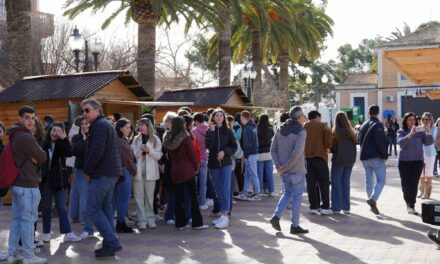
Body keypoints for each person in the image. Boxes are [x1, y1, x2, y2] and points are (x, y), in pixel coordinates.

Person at [82, 98, 123, 258]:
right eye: (83, 111)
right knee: (105, 209)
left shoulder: (99, 126)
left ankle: (112, 241)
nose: (84, 113)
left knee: (91, 209)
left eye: (87, 110)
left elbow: (97, 152)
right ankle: (109, 244)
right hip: (109, 173)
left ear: (97, 110)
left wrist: (87, 170)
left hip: (103, 174)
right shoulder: (103, 124)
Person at [7, 106, 47, 264]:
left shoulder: (15, 134)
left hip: (19, 184)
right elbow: (43, 157)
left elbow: (38, 157)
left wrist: (35, 155)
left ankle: (12, 254)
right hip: (27, 185)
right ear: (20, 119)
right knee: (28, 221)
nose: (31, 121)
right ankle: (29, 256)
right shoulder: (25, 137)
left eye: (33, 117)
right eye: (27, 117)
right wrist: (36, 155)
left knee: (18, 219)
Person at [163, 116, 209, 230]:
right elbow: (192, 155)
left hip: (175, 170)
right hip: (187, 170)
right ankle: (197, 223)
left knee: (178, 197)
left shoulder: (168, 138)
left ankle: (180, 223)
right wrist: (196, 167)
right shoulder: (186, 137)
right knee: (193, 197)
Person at [269, 106, 309, 234]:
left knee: (287, 193)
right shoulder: (301, 132)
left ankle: (276, 216)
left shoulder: (280, 130)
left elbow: (273, 149)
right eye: (303, 116)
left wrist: (279, 165)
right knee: (296, 198)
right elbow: (297, 153)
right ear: (300, 117)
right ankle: (295, 226)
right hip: (296, 170)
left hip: (284, 171)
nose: (304, 118)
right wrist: (284, 166)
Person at [41, 122, 81, 243]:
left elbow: (70, 153)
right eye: (53, 130)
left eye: (58, 131)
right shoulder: (44, 144)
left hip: (60, 179)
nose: (55, 133)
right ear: (49, 132)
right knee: (46, 207)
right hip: (46, 179)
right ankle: (46, 233)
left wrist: (64, 139)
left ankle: (68, 233)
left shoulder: (63, 144)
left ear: (62, 132)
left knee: (62, 207)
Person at [205, 109, 238, 229]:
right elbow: (208, 145)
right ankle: (222, 214)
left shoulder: (228, 131)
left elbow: (234, 147)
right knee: (218, 190)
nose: (219, 118)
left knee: (225, 189)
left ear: (224, 118)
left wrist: (224, 151)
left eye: (221, 116)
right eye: (216, 116)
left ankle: (225, 215)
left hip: (226, 164)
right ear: (213, 118)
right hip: (213, 164)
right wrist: (212, 132)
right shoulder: (209, 131)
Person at [397, 112, 433, 215]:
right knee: (405, 185)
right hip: (404, 162)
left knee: (413, 184)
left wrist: (428, 132)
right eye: (410, 120)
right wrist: (411, 134)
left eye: (413, 119)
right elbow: (401, 144)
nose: (412, 121)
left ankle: (411, 205)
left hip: (417, 162)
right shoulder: (401, 131)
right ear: (406, 121)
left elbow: (428, 143)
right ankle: (408, 203)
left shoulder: (420, 132)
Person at [131, 118, 162, 230]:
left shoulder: (155, 139)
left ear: (148, 126)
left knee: (149, 197)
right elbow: (132, 154)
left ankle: (150, 219)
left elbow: (159, 155)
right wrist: (140, 151)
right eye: (139, 125)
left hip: (151, 172)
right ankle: (141, 221)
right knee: (138, 196)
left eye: (142, 125)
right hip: (138, 171)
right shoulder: (135, 139)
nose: (140, 127)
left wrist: (149, 151)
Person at [358, 105, 388, 215]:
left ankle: (371, 203)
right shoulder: (378, 124)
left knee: (369, 181)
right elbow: (379, 142)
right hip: (376, 157)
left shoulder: (363, 125)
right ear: (378, 113)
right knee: (381, 180)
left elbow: (360, 141)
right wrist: (385, 155)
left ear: (369, 113)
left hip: (365, 157)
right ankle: (373, 199)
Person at [304, 110, 333, 215]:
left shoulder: (304, 126)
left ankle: (313, 207)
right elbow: (329, 136)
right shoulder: (322, 125)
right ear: (317, 117)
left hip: (307, 158)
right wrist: (328, 147)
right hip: (320, 157)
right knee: (324, 183)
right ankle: (325, 207)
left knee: (311, 184)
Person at [69, 117, 94, 239]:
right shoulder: (76, 138)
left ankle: (74, 215)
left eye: (87, 123)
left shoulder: (94, 136)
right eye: (83, 124)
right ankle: (83, 218)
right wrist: (84, 139)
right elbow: (76, 152)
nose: (85, 126)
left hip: (92, 169)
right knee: (83, 193)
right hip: (80, 169)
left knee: (78, 192)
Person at [330, 112, 357, 214]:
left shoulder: (336, 133)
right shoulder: (352, 133)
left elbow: (333, 148)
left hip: (338, 160)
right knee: (346, 183)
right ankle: (346, 207)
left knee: (336, 183)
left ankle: (336, 207)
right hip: (350, 161)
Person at [114, 118, 137, 233]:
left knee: (121, 199)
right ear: (120, 128)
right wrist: (134, 170)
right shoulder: (119, 140)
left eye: (129, 127)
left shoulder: (121, 139)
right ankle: (120, 223)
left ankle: (120, 222)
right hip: (123, 171)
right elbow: (127, 159)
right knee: (123, 199)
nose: (129, 129)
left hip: (122, 171)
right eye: (127, 127)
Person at [237, 110, 261, 201]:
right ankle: (244, 193)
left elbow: (247, 144)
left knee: (253, 175)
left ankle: (257, 194)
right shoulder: (253, 126)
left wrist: (246, 155)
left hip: (250, 154)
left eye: (241, 118)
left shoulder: (247, 128)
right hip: (253, 153)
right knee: (247, 175)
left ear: (243, 118)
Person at [418, 113, 437, 199]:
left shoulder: (434, 128)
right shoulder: (419, 128)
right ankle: (421, 191)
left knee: (428, 173)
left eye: (427, 119)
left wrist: (428, 130)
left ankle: (427, 193)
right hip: (420, 153)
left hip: (430, 154)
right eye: (423, 119)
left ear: (431, 120)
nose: (425, 121)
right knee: (421, 174)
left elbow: (432, 140)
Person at [192, 113, 209, 210]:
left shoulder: (194, 131)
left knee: (194, 182)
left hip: (196, 159)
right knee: (203, 182)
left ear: (196, 121)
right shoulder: (209, 130)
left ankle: (194, 202)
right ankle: (202, 203)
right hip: (205, 157)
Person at [257, 114, 275, 196]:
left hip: (259, 153)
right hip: (268, 153)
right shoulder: (271, 129)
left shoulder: (257, 129)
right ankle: (270, 191)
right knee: (269, 173)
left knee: (259, 173)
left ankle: (260, 191)